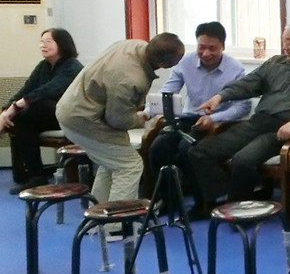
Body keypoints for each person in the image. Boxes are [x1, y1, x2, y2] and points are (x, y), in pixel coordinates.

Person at [190, 22, 290, 206]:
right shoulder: (275, 63)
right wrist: (220, 97)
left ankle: (234, 207)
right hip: (257, 122)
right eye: (284, 41)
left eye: (289, 42)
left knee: (243, 160)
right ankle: (223, 199)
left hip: (282, 130)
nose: (285, 46)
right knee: (200, 151)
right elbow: (248, 83)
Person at [56, 33, 185, 210]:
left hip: (72, 110)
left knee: (112, 163)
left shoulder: (132, 45)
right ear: (165, 64)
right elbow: (117, 120)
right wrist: (142, 119)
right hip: (84, 120)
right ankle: (117, 221)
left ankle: (99, 215)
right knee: (129, 166)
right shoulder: (131, 79)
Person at [148, 22, 251, 217]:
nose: (206, 53)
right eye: (201, 47)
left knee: (188, 149)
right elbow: (167, 91)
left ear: (223, 46)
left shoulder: (235, 69)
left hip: (220, 123)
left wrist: (214, 118)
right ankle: (169, 200)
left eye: (212, 48)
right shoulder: (186, 62)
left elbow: (242, 107)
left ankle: (203, 202)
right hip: (189, 118)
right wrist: (149, 111)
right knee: (159, 147)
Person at [1, 28, 83, 194]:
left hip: (70, 116)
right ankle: (33, 174)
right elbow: (26, 90)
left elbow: (48, 90)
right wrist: (5, 111)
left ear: (62, 44)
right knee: (18, 120)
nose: (43, 45)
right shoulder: (43, 66)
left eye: (48, 41)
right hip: (47, 116)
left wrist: (15, 108)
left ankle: (35, 175)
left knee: (36, 105)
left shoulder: (72, 66)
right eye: (41, 41)